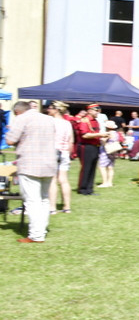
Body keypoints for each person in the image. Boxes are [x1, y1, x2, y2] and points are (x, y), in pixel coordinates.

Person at [5, 100, 57, 243]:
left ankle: (36, 235)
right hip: (49, 163)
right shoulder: (49, 119)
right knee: (44, 199)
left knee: (32, 201)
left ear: (17, 112)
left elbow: (10, 140)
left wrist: (10, 131)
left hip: (30, 164)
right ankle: (41, 229)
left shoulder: (22, 118)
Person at [47, 101, 74, 213]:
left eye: (50, 108)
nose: (48, 110)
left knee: (52, 180)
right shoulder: (67, 123)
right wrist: (69, 155)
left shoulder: (50, 122)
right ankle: (66, 207)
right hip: (64, 152)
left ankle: (52, 207)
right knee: (63, 180)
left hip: (52, 151)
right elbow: (70, 141)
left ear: (56, 109)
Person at [74, 104, 104, 195]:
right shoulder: (85, 121)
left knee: (92, 168)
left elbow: (95, 133)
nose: (98, 112)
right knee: (86, 168)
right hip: (86, 147)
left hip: (95, 146)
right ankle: (82, 189)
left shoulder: (95, 121)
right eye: (96, 110)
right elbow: (85, 135)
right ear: (90, 111)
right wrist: (100, 135)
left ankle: (89, 189)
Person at [97, 121, 122, 187]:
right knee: (110, 167)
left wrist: (102, 141)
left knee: (102, 167)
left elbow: (103, 140)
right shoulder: (116, 133)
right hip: (113, 151)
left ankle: (104, 182)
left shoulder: (108, 133)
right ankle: (109, 182)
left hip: (106, 151)